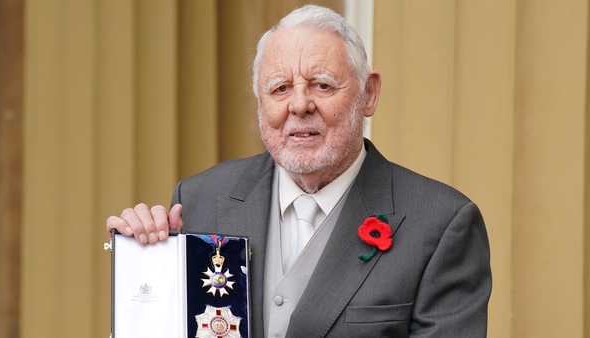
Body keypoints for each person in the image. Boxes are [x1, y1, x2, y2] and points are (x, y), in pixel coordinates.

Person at [106, 4, 491, 337]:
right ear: (260, 102)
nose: (300, 105)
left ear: (368, 94)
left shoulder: (441, 224)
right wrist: (145, 263)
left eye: (322, 85)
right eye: (280, 89)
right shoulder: (199, 200)